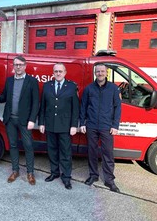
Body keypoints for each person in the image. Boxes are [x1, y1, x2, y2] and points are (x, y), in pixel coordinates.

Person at [0, 56, 39, 185]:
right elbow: (4, 97)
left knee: (28, 146)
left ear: (25, 65)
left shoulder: (32, 81)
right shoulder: (9, 81)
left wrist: (32, 120)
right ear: (13, 66)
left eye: (20, 64)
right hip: (10, 119)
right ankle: (15, 170)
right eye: (16, 64)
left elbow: (36, 103)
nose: (18, 67)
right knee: (12, 145)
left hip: (25, 121)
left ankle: (30, 172)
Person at [80, 63, 121, 193]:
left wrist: (115, 125)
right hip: (91, 126)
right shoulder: (89, 89)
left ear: (106, 72)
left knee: (108, 153)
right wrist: (82, 123)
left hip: (106, 127)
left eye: (102, 71)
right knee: (92, 152)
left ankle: (109, 180)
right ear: (95, 73)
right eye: (97, 71)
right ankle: (93, 175)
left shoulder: (114, 89)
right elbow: (83, 107)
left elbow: (117, 108)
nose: (100, 73)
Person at [38, 63, 79, 190]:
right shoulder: (47, 86)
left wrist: (74, 125)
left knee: (65, 152)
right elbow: (43, 106)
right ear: (53, 73)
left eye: (60, 71)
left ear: (65, 72)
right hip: (50, 125)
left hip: (65, 126)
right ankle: (54, 172)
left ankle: (66, 177)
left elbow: (75, 108)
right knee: (52, 150)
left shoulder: (72, 87)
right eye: (56, 71)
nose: (58, 73)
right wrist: (41, 123)